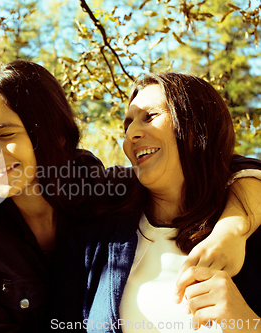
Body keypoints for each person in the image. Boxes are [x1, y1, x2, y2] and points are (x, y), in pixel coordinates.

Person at [0, 62, 261, 333]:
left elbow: (225, 163)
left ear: (50, 134)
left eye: (6, 134)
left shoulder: (102, 196)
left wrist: (234, 226)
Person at [70, 73, 261, 332]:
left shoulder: (251, 230)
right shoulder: (99, 238)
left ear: (197, 125)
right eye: (128, 125)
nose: (131, 133)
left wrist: (247, 324)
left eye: (150, 116)